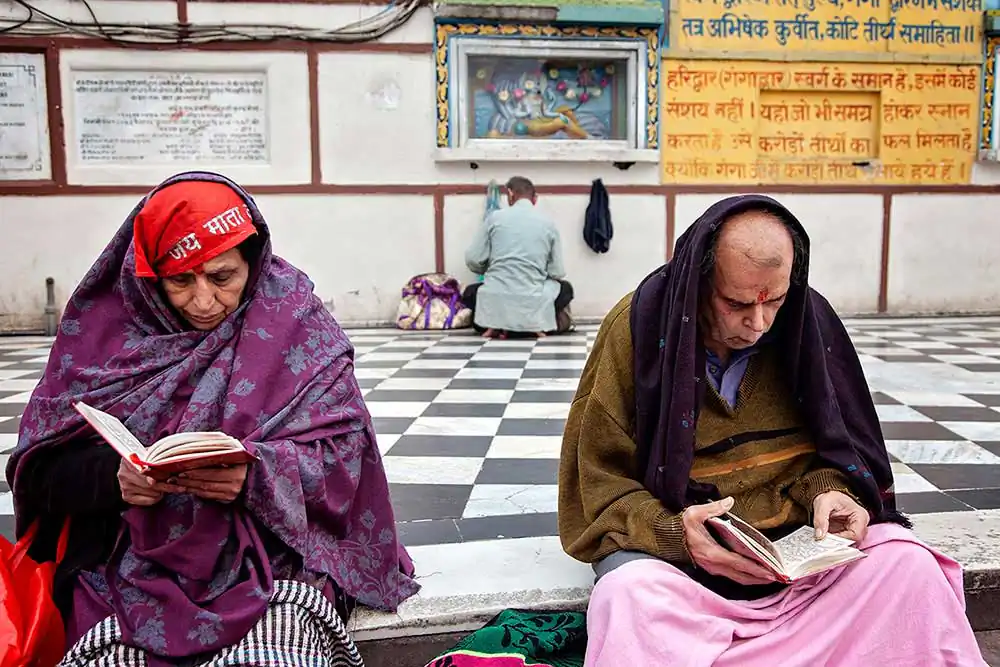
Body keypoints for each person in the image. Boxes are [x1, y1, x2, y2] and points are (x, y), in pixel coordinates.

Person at [7, 171, 419, 666]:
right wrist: (115, 479)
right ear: (148, 275)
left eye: (222, 277)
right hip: (122, 575)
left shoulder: (296, 327)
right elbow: (40, 472)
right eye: (180, 280)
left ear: (253, 260)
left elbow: (346, 460)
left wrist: (257, 476)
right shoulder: (101, 339)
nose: (203, 302)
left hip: (271, 569)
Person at [558, 195, 987, 666]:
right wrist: (676, 533)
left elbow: (839, 455)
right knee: (628, 594)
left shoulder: (807, 324)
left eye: (775, 301)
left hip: (798, 560)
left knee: (908, 566)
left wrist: (833, 493)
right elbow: (596, 486)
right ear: (698, 282)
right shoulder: (640, 326)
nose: (758, 324)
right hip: (683, 567)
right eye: (736, 303)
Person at [462, 176, 573, 339]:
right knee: (566, 289)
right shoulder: (548, 224)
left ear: (510, 194)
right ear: (535, 199)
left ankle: (500, 324)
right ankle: (529, 325)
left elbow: (473, 259)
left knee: (470, 293)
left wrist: (491, 269)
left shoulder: (494, 218)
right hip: (534, 297)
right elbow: (557, 271)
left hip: (496, 297)